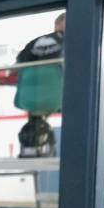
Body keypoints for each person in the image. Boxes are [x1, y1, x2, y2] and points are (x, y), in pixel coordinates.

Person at [14, 12, 65, 158]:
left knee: (39, 97)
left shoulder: (33, 43)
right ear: (63, 23)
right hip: (60, 100)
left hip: (29, 100)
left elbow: (17, 66)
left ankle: (32, 144)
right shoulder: (74, 39)